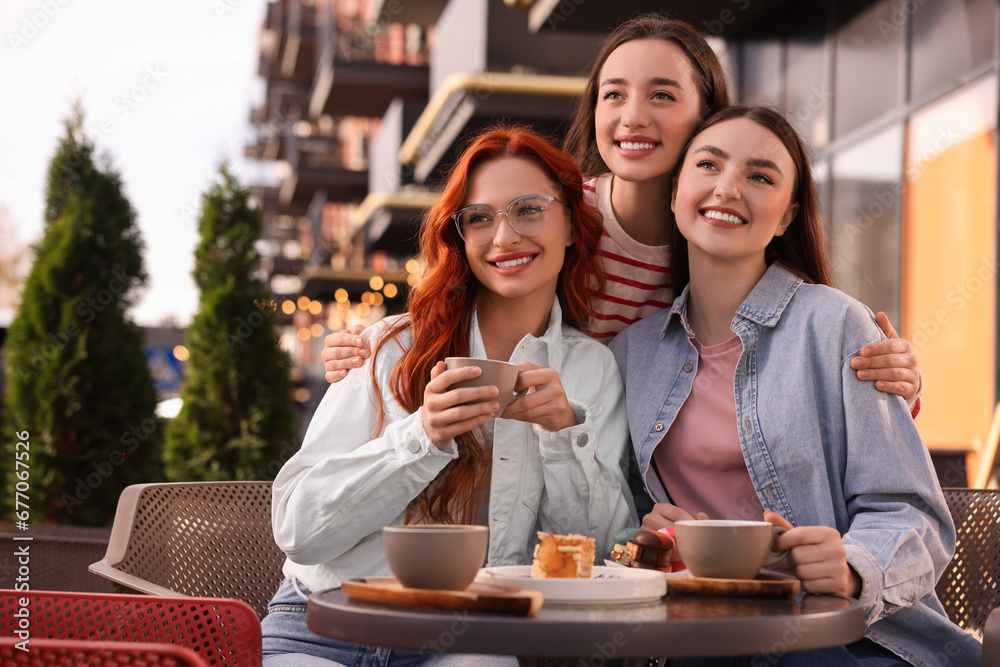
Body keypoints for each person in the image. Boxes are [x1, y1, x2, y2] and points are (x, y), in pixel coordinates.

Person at [321, 14, 922, 411]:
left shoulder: (725, 239)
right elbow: (460, 299)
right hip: (538, 470)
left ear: (708, 114)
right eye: (614, 94)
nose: (633, 116)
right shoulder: (552, 216)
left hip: (655, 494)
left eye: (662, 95)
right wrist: (373, 346)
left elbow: (800, 363)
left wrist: (894, 379)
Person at [609, 105, 981, 665]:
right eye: (708, 165)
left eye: (760, 177)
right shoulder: (631, 354)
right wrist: (648, 534)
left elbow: (917, 517)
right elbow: (619, 514)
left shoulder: (838, 327)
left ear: (786, 216)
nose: (729, 188)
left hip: (846, 639)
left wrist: (853, 567)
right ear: (676, 189)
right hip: (700, 637)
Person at [262, 125, 637, 666]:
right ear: (460, 237)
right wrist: (421, 436)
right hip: (327, 620)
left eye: (529, 209)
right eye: (480, 218)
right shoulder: (394, 345)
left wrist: (564, 437)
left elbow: (598, 554)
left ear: (573, 226)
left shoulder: (591, 370)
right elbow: (297, 530)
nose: (503, 237)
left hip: (469, 637)